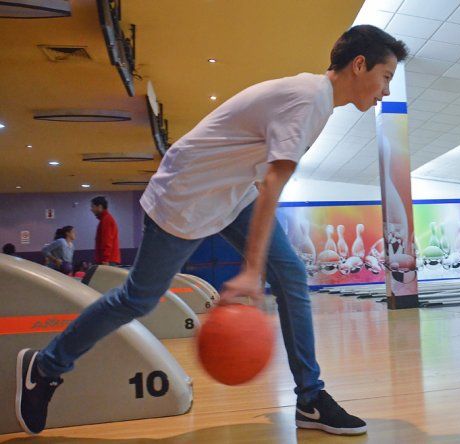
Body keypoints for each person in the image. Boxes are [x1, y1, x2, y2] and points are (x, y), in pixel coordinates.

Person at [16, 24, 407, 436]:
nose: (384, 91)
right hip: (185, 199)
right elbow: (274, 182)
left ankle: (310, 398)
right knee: (137, 299)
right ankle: (44, 367)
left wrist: (263, 260)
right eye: (385, 78)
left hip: (231, 197)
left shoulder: (317, 101)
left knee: (290, 275)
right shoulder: (309, 99)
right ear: (359, 65)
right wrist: (253, 270)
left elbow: (261, 174)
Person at [90, 196, 120, 266]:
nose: (91, 209)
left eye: (93, 206)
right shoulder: (105, 219)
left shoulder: (106, 220)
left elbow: (107, 241)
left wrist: (105, 260)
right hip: (108, 260)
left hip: (107, 261)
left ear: (100, 207)